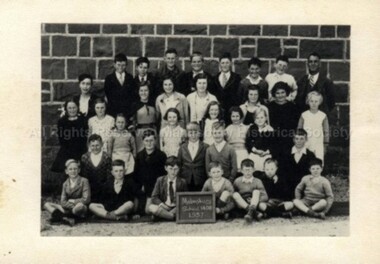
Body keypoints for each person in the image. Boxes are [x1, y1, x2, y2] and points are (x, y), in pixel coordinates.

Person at [44, 159, 90, 226]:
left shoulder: (84, 181)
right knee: (47, 204)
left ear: (79, 170)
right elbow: (63, 202)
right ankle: (65, 218)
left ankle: (60, 216)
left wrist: (74, 201)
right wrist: (70, 206)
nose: (73, 171)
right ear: (66, 171)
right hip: (68, 208)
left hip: (79, 207)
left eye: (75, 169)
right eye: (70, 169)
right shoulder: (65, 184)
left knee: (80, 206)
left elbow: (86, 199)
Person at [134, 130, 167, 215]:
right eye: (146, 141)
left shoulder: (161, 155)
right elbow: (136, 173)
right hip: (145, 187)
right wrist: (141, 186)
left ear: (155, 141)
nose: (149, 143)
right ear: (143, 142)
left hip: (157, 188)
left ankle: (159, 210)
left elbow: (164, 175)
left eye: (151, 140)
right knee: (143, 210)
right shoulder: (139, 155)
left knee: (148, 210)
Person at [51, 99, 88, 173]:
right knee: (66, 169)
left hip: (80, 149)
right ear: (66, 109)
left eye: (74, 107)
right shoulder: (62, 121)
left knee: (83, 170)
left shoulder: (83, 120)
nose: (72, 110)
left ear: (77, 108)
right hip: (67, 149)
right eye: (69, 108)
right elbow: (62, 139)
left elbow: (84, 137)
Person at [279, 129, 316, 200]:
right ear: (293, 140)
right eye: (297, 138)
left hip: (304, 186)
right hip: (288, 185)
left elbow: (312, 172)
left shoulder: (310, 155)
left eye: (302, 139)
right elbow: (281, 169)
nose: (299, 141)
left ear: (306, 140)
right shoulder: (286, 153)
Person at [149, 156, 188, 221]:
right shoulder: (160, 180)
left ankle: (163, 216)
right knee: (151, 207)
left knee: (183, 207)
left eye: (176, 169)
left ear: (179, 169)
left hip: (176, 207)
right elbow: (154, 197)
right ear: (165, 168)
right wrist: (163, 205)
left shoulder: (182, 182)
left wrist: (176, 206)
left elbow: (185, 198)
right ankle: (172, 217)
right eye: (171, 168)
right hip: (163, 206)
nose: (173, 172)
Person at [268, 82, 300, 156]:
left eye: (283, 92)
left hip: (289, 141)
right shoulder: (269, 107)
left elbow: (296, 126)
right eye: (277, 93)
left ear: (287, 93)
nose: (280, 95)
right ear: (274, 94)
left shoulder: (293, 107)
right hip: (273, 140)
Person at [232, 159, 268, 223]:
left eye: (250, 170)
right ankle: (254, 213)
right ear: (241, 170)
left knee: (256, 192)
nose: (248, 172)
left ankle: (251, 211)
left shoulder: (257, 181)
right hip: (242, 204)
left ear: (254, 170)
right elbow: (233, 196)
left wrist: (254, 200)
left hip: (254, 202)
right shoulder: (237, 181)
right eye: (246, 170)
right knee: (235, 194)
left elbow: (265, 196)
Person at [298, 91, 329, 162]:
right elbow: (299, 130)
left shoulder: (323, 115)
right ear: (308, 102)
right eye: (311, 101)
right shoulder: (304, 115)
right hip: (306, 141)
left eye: (316, 101)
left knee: (318, 158)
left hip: (318, 142)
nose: (314, 103)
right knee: (306, 158)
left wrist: (326, 143)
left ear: (319, 102)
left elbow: (326, 131)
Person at [80, 134, 112, 203]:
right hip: (89, 188)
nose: (95, 148)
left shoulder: (106, 157)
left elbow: (109, 176)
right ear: (89, 146)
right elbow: (84, 175)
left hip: (103, 189)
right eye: (93, 146)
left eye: (97, 145)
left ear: (102, 144)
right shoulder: (85, 157)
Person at [178, 122, 209, 191]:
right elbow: (179, 163)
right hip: (186, 178)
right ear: (187, 134)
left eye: (196, 132)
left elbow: (207, 164)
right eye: (191, 133)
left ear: (200, 133)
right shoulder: (183, 147)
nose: (193, 135)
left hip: (200, 178)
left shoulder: (205, 147)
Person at [212, 52, 242, 123]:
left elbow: (239, 95)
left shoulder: (237, 78)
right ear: (219, 64)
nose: (224, 65)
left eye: (227, 63)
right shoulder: (215, 78)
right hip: (218, 113)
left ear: (231, 63)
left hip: (231, 113)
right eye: (222, 63)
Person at [104, 53, 135, 118]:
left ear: (126, 65)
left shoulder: (130, 78)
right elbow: (108, 95)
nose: (120, 67)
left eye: (123, 65)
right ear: (114, 65)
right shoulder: (109, 79)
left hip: (127, 111)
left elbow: (132, 95)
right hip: (113, 111)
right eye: (118, 65)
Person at [129, 82, 157, 152]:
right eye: (141, 90)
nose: (143, 93)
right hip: (140, 133)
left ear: (149, 91)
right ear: (138, 92)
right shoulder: (135, 105)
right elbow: (132, 121)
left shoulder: (154, 103)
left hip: (153, 131)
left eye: (146, 90)